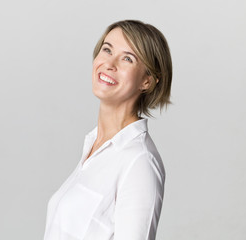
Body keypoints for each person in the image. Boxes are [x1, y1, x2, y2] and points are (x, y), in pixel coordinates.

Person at [43, 19, 172, 240]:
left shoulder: (139, 162)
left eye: (127, 58)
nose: (110, 64)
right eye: (107, 49)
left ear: (147, 81)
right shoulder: (94, 144)